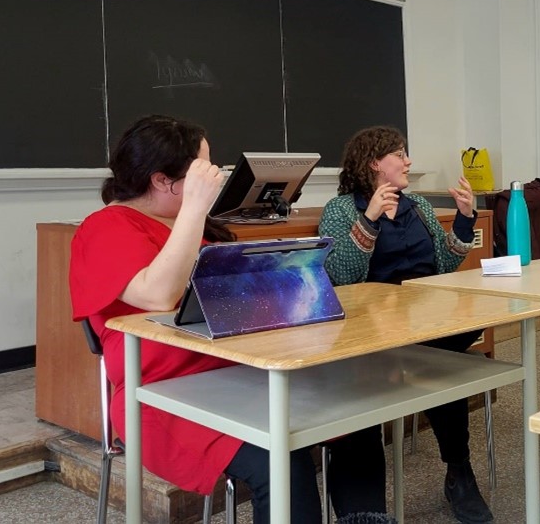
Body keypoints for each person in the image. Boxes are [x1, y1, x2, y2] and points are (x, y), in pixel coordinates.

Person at [69, 115, 390, 524]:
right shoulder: (104, 228)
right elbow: (159, 293)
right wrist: (197, 208)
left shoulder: (190, 226)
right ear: (162, 180)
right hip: (162, 394)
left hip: (239, 372)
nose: (215, 175)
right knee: (280, 457)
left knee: (355, 423)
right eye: (203, 169)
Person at [317, 126, 492, 524]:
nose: (409, 161)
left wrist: (465, 220)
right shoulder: (341, 210)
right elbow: (341, 277)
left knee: (442, 357)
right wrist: (371, 218)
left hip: (425, 319)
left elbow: (443, 266)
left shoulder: (418, 207)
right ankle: (459, 473)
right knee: (441, 364)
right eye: (400, 153)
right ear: (375, 162)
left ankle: (459, 471)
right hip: (373, 327)